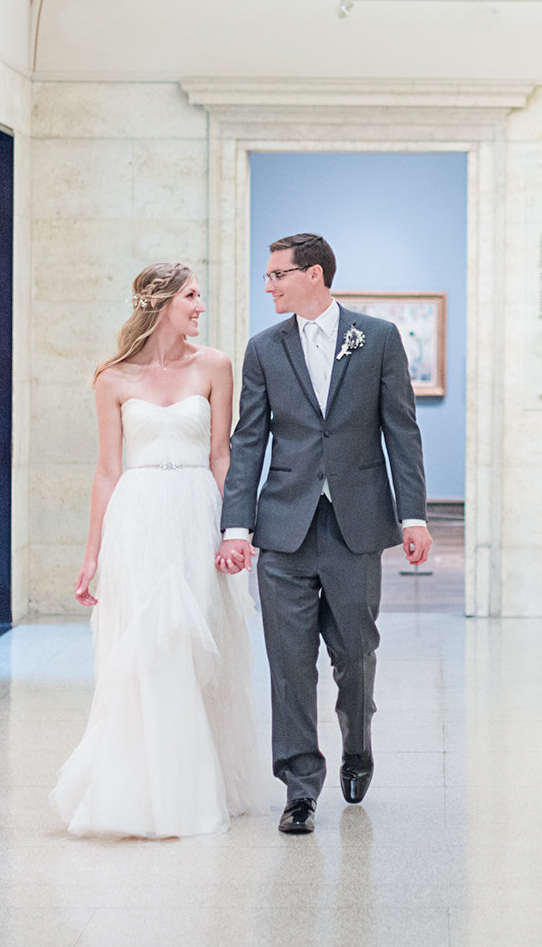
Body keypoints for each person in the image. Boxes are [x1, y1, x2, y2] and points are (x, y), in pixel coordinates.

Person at [218, 233, 430, 835]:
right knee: (289, 664)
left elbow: (401, 432)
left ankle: (357, 743)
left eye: (277, 275)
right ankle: (300, 787)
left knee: (355, 653)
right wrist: (237, 526)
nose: (269, 286)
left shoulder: (378, 339)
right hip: (283, 526)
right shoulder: (264, 349)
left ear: (313, 274)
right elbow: (249, 440)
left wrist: (411, 516)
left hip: (355, 524)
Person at [51, 262, 261, 838]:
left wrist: (235, 531)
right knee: (146, 646)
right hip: (137, 520)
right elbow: (106, 470)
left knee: (195, 648)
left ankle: (194, 787)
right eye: (192, 296)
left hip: (197, 513)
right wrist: (91, 553)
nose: (200, 305)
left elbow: (223, 456)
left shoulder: (215, 366)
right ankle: (137, 791)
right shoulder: (112, 378)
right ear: (161, 302)